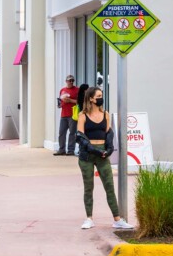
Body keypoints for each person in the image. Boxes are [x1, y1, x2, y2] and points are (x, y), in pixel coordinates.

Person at [76, 86, 133, 230]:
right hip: (87, 156)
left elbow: (109, 133)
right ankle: (89, 218)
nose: (101, 98)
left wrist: (108, 150)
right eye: (98, 96)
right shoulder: (82, 115)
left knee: (109, 186)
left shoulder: (106, 114)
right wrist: (93, 149)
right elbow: (80, 137)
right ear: (90, 99)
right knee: (88, 187)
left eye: (101, 95)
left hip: (102, 154)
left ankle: (117, 219)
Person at [56, 75, 80, 156]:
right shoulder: (62, 90)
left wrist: (70, 100)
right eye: (69, 80)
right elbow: (60, 102)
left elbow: (80, 101)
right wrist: (59, 104)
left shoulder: (77, 90)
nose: (71, 82)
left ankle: (70, 151)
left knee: (72, 133)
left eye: (72, 80)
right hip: (63, 114)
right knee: (61, 133)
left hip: (73, 114)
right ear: (66, 81)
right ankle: (61, 149)